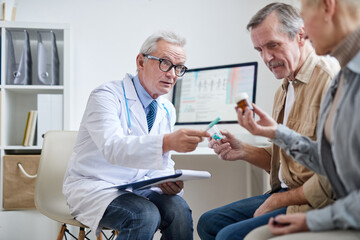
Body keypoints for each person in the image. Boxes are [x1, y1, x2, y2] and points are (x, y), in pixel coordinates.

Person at [197, 3, 339, 240]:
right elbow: (288, 163)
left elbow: (334, 174)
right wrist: (243, 150)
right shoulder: (284, 88)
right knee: (208, 223)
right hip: (284, 191)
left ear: (301, 36)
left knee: (227, 236)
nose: (267, 57)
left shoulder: (328, 80)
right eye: (259, 50)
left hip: (315, 201)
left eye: (273, 45)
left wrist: (278, 200)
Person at [63, 31, 210, 240]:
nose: (172, 74)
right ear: (141, 61)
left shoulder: (167, 108)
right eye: (165, 63)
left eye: (179, 67)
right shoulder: (106, 96)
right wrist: (168, 142)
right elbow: (113, 147)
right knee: (144, 214)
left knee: (178, 209)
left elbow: (163, 162)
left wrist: (167, 181)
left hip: (139, 187)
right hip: (97, 187)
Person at [242, 0, 360, 239]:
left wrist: (311, 219)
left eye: (304, 17)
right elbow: (331, 162)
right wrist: (275, 133)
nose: (302, 30)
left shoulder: (333, 77)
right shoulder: (343, 80)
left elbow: (331, 181)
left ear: (328, 7)